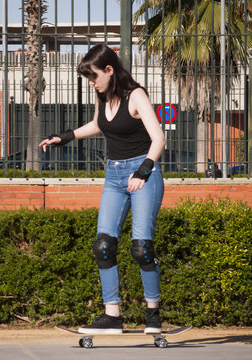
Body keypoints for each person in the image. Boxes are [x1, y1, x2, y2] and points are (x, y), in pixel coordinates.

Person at [38, 44, 166, 335]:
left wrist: (143, 171)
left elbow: (158, 138)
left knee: (141, 249)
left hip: (143, 174)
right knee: (103, 246)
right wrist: (65, 136)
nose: (92, 82)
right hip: (114, 175)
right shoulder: (102, 94)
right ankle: (112, 316)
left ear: (109, 70)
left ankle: (153, 312)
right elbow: (99, 124)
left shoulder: (136, 95)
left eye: (94, 76)